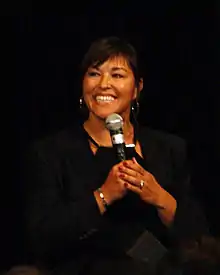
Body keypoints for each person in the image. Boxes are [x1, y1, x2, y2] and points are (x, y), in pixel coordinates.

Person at [23, 36, 208, 275]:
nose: (103, 84)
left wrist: (159, 196)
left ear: (137, 88)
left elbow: (198, 234)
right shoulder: (51, 152)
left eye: (117, 75)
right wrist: (103, 195)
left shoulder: (169, 149)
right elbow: (43, 236)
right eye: (94, 74)